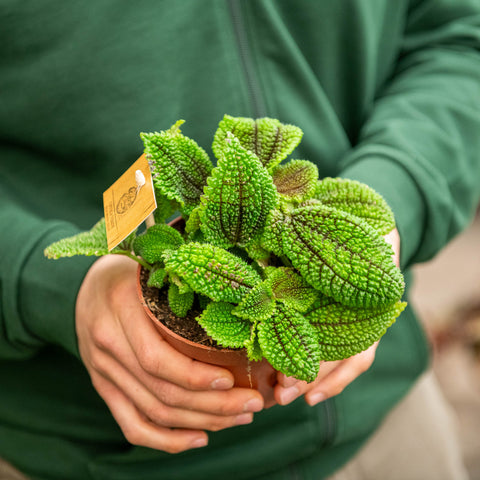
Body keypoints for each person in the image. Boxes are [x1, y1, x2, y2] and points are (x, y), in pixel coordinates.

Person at [1, 1, 480, 479]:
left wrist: (397, 193)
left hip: (380, 416)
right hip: (85, 450)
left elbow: (459, 35)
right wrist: (49, 284)